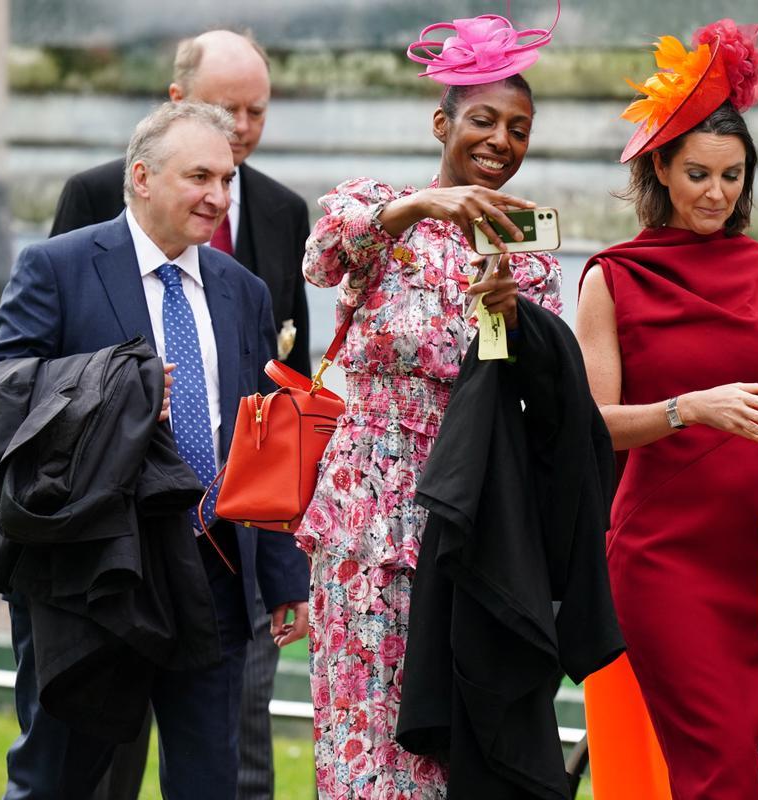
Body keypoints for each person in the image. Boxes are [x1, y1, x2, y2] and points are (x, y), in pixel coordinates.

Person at [0, 101, 309, 800]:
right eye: (200, 177)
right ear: (143, 177)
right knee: (55, 782)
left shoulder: (242, 291)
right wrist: (107, 397)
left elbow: (263, 436)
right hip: (92, 570)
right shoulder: (58, 267)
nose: (218, 197)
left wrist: (283, 575)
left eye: (227, 178)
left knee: (211, 785)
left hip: (211, 569)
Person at [295, 8, 563, 798]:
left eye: (519, 129)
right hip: (367, 507)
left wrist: (511, 316)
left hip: (467, 509)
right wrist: (423, 207)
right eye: (484, 120)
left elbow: (533, 394)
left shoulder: (526, 260)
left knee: (448, 735)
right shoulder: (379, 208)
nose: (501, 142)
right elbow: (322, 255)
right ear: (441, 121)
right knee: (363, 730)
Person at [575, 20, 758, 800]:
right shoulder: (612, 280)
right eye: (697, 174)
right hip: (660, 559)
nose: (716, 194)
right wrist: (687, 409)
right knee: (719, 767)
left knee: (721, 767)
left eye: (731, 176)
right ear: (661, 166)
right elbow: (592, 425)